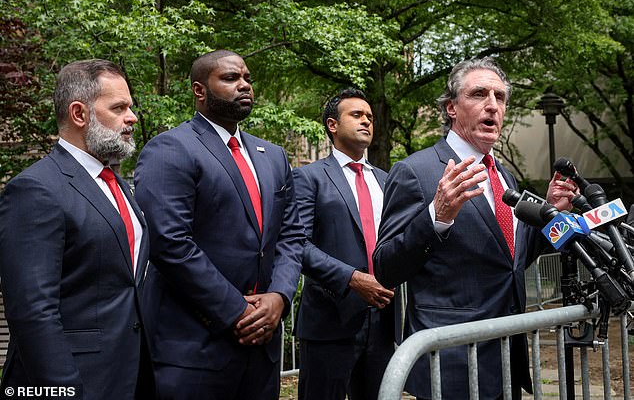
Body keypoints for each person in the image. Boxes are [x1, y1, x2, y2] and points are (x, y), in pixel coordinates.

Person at [373, 57, 577, 400]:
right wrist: (436, 217)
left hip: (508, 359)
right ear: (452, 107)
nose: (492, 105)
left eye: (500, 97)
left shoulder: (505, 177)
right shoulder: (415, 171)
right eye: (479, 94)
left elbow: (512, 261)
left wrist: (549, 214)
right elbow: (386, 269)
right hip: (450, 365)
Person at [134, 49, 305, 400]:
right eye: (230, 78)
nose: (244, 85)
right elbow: (170, 243)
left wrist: (279, 297)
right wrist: (237, 310)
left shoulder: (272, 155)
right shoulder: (170, 149)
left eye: (247, 79)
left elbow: (291, 234)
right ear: (200, 90)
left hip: (262, 352)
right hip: (193, 349)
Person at [0, 59, 152, 399]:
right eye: (119, 107)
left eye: (130, 106)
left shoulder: (117, 185)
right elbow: (32, 311)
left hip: (128, 376)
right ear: (79, 114)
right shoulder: (35, 189)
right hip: (72, 381)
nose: (132, 117)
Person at [293, 88, 398, 400]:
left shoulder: (387, 179)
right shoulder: (308, 178)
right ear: (332, 125)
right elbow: (297, 245)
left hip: (383, 320)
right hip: (330, 320)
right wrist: (352, 279)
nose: (366, 121)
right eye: (356, 115)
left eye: (369, 117)